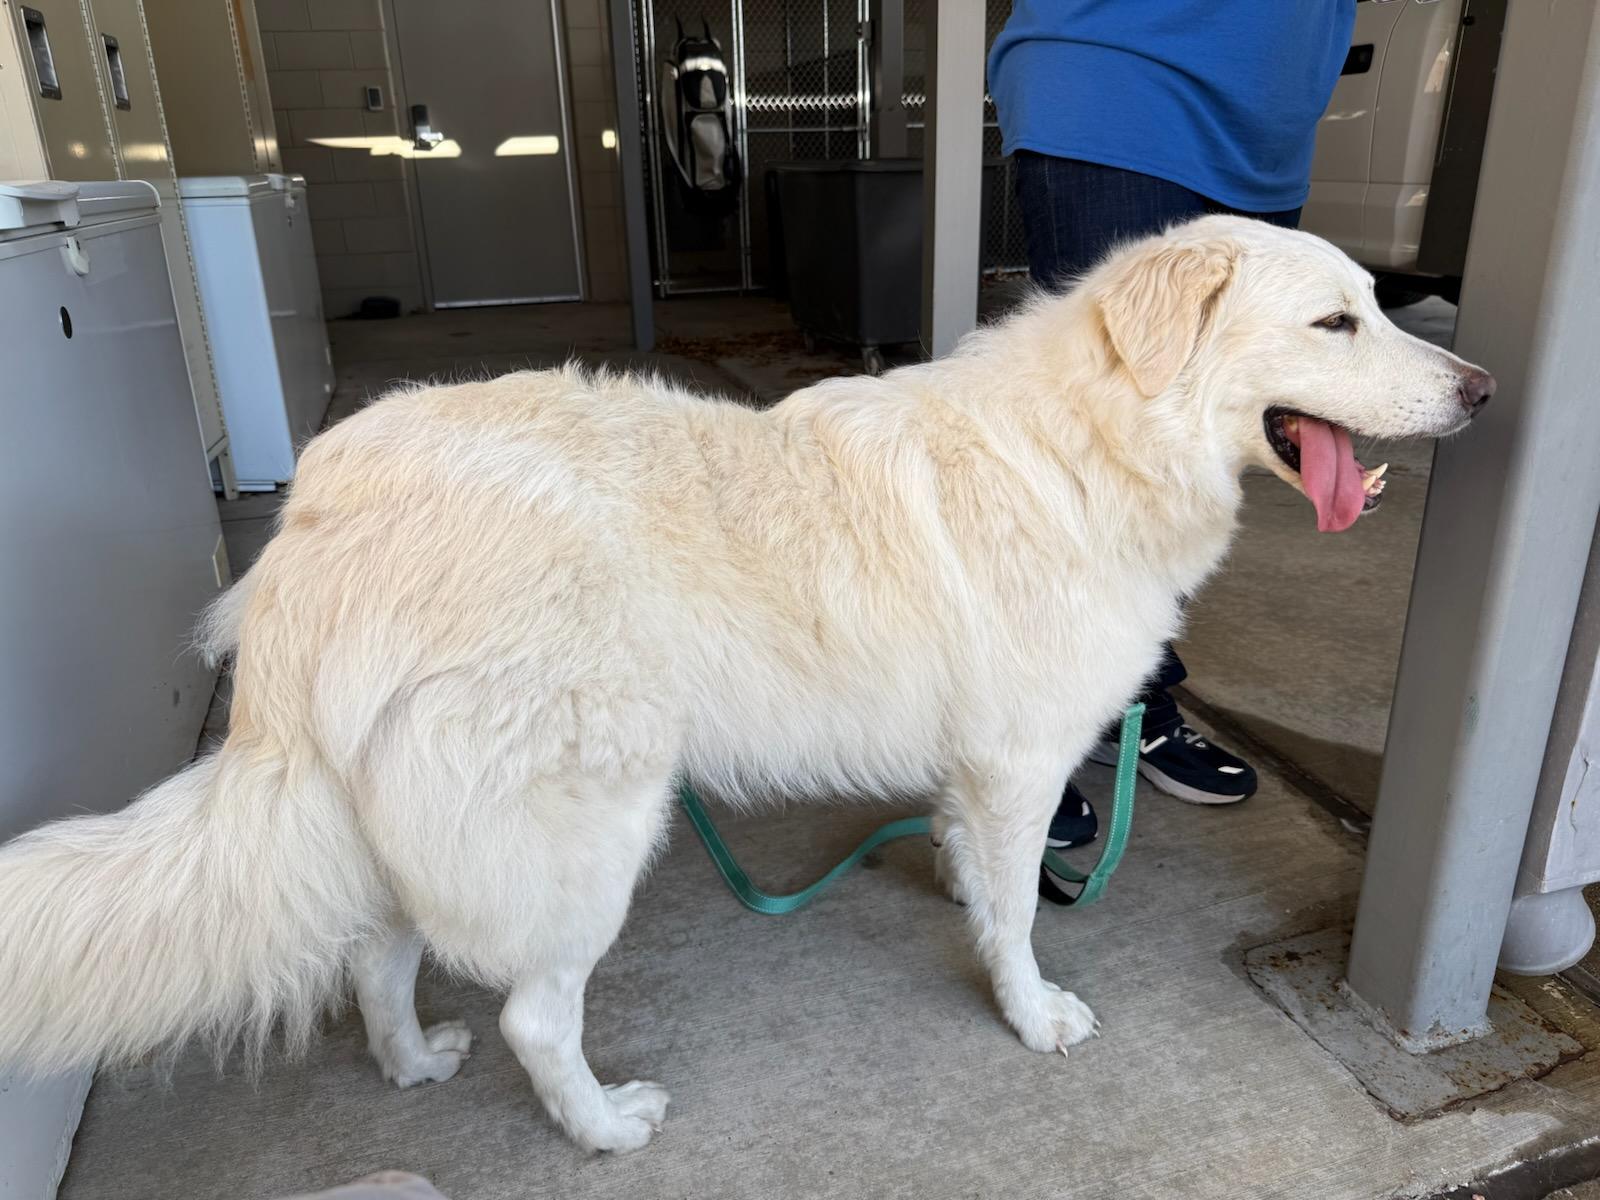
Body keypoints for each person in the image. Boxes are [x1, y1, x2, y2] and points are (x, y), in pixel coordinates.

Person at [986, 1, 1357, 899]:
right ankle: (1026, 727)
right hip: (1117, 80)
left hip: (1264, 123)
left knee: (1200, 448)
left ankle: (1129, 691)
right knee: (1096, 445)